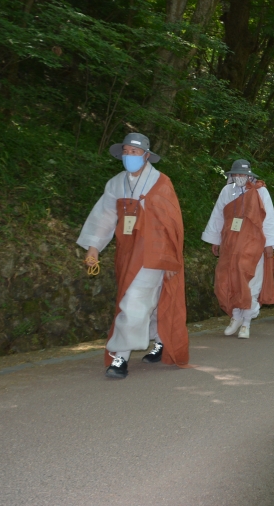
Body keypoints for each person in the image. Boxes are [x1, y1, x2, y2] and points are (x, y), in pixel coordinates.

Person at [78, 132, 189, 379]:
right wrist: (94, 247)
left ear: (147, 155)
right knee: (147, 300)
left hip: (153, 253)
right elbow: (104, 217)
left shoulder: (161, 183)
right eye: (126, 152)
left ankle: (120, 356)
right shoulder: (116, 183)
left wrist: (170, 259)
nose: (129, 156)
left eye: (135, 152)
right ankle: (160, 340)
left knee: (134, 302)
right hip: (126, 251)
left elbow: (171, 226)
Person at [202, 159, 274, 340]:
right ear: (231, 176)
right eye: (236, 174)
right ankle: (235, 317)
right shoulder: (227, 191)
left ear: (250, 175)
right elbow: (218, 216)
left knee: (250, 282)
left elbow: (268, 218)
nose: (239, 177)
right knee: (228, 280)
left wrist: (270, 244)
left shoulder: (261, 191)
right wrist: (216, 240)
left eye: (243, 174)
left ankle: (246, 323)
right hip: (230, 243)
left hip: (253, 243)